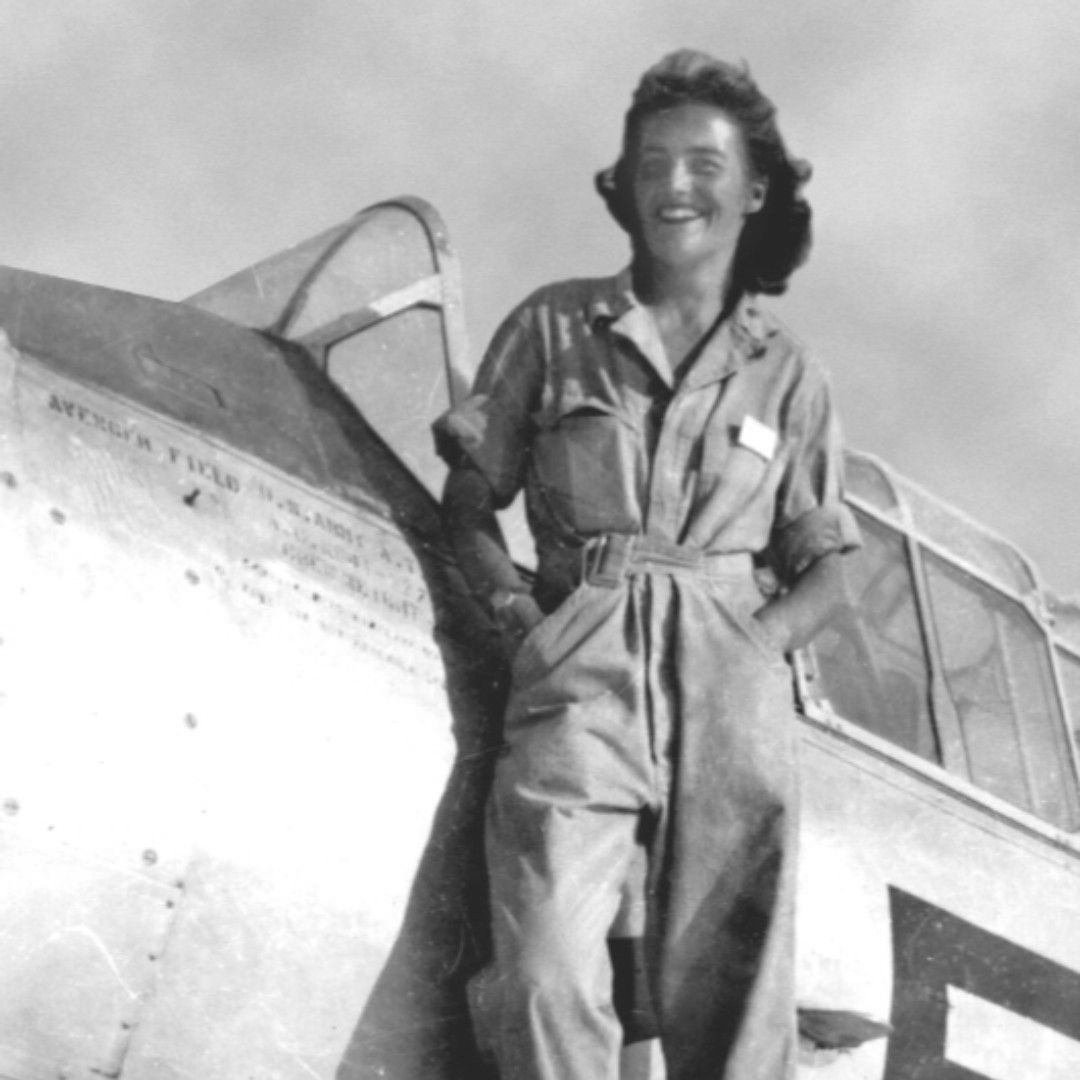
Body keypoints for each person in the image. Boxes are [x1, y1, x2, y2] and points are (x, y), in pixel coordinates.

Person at [433, 48, 861, 1080]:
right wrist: (520, 615)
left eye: (703, 165)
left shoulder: (790, 373)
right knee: (542, 971)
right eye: (652, 163)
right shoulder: (552, 325)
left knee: (734, 1016)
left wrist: (757, 652)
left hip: (732, 685)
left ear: (753, 190)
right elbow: (467, 505)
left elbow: (829, 569)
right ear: (622, 186)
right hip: (582, 666)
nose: (675, 186)